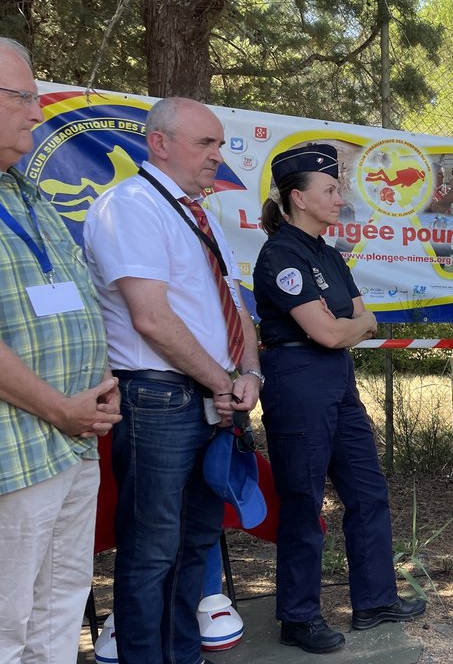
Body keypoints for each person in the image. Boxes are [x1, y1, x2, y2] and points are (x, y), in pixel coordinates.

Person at [84, 97, 262, 664]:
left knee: (194, 546)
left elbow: (235, 307)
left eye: (220, 142)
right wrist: (223, 382)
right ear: (159, 143)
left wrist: (249, 373)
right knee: (151, 552)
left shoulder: (199, 213)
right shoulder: (131, 205)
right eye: (204, 143)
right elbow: (150, 318)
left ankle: (184, 655)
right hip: (159, 397)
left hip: (211, 397)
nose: (218, 154)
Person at [253, 144, 425, 652]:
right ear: (298, 198)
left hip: (337, 382)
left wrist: (349, 325)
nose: (339, 197)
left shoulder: (327, 252)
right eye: (329, 190)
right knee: (303, 503)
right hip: (299, 383)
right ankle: (299, 616)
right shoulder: (280, 254)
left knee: (368, 491)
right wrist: (352, 325)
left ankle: (374, 599)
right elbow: (332, 331)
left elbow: (355, 318)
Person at [0, 37, 122, 664]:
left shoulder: (28, 193)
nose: (36, 113)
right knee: (7, 617)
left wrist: (102, 381)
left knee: (61, 602)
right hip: (18, 449)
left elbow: (73, 297)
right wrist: (60, 408)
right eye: (22, 97)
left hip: (72, 438)